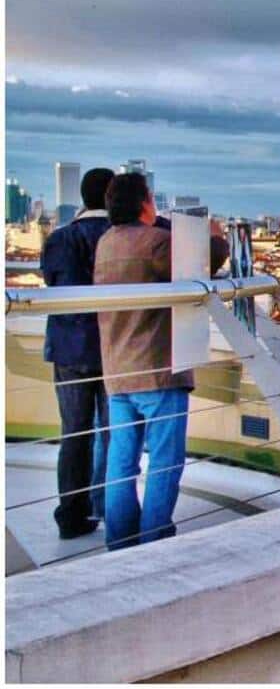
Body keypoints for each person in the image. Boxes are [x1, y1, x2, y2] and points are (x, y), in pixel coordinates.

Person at [94, 172, 229, 550]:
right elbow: (204, 262)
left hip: (117, 370)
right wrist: (216, 234)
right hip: (157, 369)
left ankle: (119, 541)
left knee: (121, 464)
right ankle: (155, 540)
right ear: (144, 203)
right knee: (165, 462)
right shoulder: (154, 242)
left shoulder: (106, 242)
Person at [40, 167, 115, 538]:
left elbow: (51, 282)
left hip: (69, 349)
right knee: (115, 433)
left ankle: (71, 515)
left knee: (74, 434)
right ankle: (109, 508)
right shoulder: (120, 237)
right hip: (114, 347)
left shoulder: (59, 238)